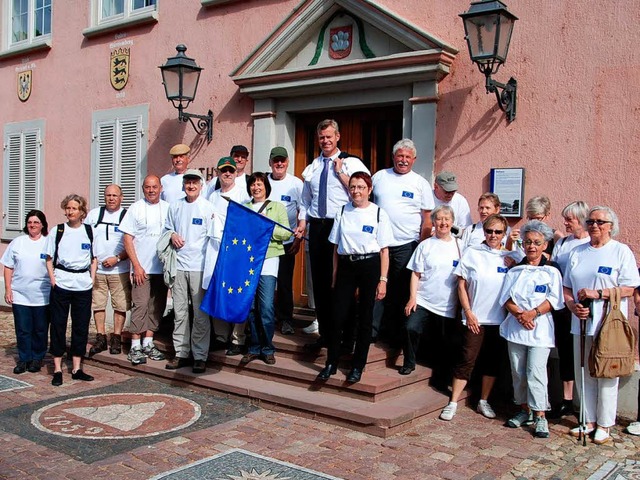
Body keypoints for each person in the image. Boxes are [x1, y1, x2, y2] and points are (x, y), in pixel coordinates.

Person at [563, 206, 640, 445]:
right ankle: (587, 419)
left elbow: (629, 287)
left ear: (611, 226)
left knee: (606, 372)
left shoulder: (620, 251)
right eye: (590, 221)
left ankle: (605, 423)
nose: (594, 225)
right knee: (583, 371)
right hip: (581, 322)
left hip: (609, 324)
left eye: (600, 222)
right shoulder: (578, 252)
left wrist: (599, 293)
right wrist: (572, 306)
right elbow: (566, 287)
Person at [440, 214, 521, 421]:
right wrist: (468, 312)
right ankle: (453, 401)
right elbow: (461, 285)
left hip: (498, 320)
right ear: (484, 231)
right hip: (474, 317)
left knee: (491, 362)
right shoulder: (472, 253)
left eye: (498, 232)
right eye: (489, 231)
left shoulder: (511, 257)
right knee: (466, 359)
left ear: (505, 234)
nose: (493, 235)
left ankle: (483, 400)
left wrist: (513, 266)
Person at [301, 119, 369, 351]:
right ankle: (327, 336)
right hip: (318, 228)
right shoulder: (313, 166)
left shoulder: (352, 163)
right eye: (322, 137)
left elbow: (363, 193)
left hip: (341, 226)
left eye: (329, 137)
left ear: (338, 137)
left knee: (341, 284)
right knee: (320, 284)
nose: (325, 141)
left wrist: (340, 173)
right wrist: (303, 223)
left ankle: (346, 337)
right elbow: (305, 201)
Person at [317, 172, 391, 383]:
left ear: (369, 189)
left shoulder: (379, 214)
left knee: (365, 318)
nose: (356, 191)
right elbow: (336, 247)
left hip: (370, 265)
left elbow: (384, 250)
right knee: (338, 316)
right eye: (353, 187)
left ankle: (358, 365)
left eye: (360, 187)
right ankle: (331, 362)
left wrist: (383, 280)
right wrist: (334, 275)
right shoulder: (343, 211)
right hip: (346, 266)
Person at [499, 221, 564, 438]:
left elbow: (554, 299)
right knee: (518, 371)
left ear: (545, 244)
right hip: (516, 327)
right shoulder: (515, 270)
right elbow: (506, 298)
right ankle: (523, 409)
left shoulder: (551, 271)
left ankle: (540, 415)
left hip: (539, 328)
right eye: (527, 242)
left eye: (536, 242)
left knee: (535, 372)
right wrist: (519, 314)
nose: (532, 247)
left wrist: (533, 313)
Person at [371, 138, 434, 346]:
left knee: (400, 291)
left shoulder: (420, 183)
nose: (403, 160)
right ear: (393, 157)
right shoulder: (380, 176)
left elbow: (427, 218)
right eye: (400, 156)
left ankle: (396, 336)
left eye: (408, 157)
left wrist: (422, 248)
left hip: (406, 245)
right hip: (380, 245)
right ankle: (372, 332)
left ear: (414, 159)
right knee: (377, 288)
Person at [164, 169, 215, 374]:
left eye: (195, 183)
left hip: (199, 267)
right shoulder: (175, 206)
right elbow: (166, 229)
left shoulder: (208, 208)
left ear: (201, 185)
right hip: (179, 266)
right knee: (180, 312)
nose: (191, 186)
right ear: (183, 185)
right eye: (188, 183)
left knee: (200, 314)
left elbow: (214, 239)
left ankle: (200, 356)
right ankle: (181, 352)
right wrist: (172, 234)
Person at [401, 205, 460, 384]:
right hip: (424, 299)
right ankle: (409, 362)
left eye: (446, 219)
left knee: (445, 341)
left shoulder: (460, 246)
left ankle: (441, 376)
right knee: (410, 327)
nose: (443, 223)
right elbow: (415, 273)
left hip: (448, 303)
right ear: (433, 222)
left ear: (452, 222)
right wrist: (412, 298)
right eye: (439, 219)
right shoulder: (425, 245)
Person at [45, 194, 97, 386]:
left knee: (81, 325)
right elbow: (48, 257)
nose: (70, 211)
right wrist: (53, 280)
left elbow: (94, 258)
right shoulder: (57, 231)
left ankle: (76, 367)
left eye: (74, 208)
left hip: (83, 285)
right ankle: (57, 368)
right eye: (68, 208)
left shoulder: (89, 231)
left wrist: (91, 279)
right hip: (62, 283)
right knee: (58, 324)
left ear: (82, 211)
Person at [240, 172, 291, 365]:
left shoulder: (276, 207)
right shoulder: (244, 208)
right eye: (253, 184)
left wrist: (267, 225)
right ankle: (253, 347)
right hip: (248, 262)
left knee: (267, 307)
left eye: (260, 184)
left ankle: (268, 347)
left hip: (269, 259)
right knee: (251, 308)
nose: (256, 187)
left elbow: (286, 233)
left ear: (266, 187)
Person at [119, 175, 170, 366]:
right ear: (143, 189)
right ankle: (135, 345)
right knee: (140, 305)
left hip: (161, 268)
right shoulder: (135, 209)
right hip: (142, 268)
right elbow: (127, 239)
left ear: (160, 188)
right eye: (147, 187)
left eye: (154, 187)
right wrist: (137, 266)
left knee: (157, 306)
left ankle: (148, 342)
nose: (151, 190)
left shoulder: (167, 208)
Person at [549, 201, 590, 418]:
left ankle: (585, 401)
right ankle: (566, 399)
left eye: (570, 219)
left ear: (582, 220)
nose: (565, 223)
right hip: (563, 305)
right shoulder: (562, 243)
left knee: (583, 352)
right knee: (565, 351)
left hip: (582, 305)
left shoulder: (590, 244)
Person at [206, 157, 251, 356]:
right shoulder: (212, 196)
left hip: (235, 252)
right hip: (214, 250)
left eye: (231, 171)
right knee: (217, 291)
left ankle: (237, 338)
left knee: (236, 293)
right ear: (218, 172)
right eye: (224, 170)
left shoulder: (242, 195)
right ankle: (221, 336)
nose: (227, 174)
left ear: (235, 173)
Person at [2, 210, 50, 374]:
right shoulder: (18, 242)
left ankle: (37, 358)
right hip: (20, 294)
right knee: (23, 329)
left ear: (42, 224)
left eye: (36, 222)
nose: (32, 225)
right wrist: (8, 288)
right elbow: (8, 266)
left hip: (42, 295)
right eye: (30, 222)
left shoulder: (48, 243)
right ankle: (24, 359)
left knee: (40, 329)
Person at [85, 184, 130, 356]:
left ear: (121, 197)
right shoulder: (94, 215)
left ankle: (116, 337)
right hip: (98, 271)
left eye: (115, 195)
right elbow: (86, 239)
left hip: (120, 270)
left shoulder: (127, 216)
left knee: (120, 305)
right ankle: (101, 336)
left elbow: (134, 245)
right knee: (98, 304)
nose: (111, 198)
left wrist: (117, 258)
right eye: (108, 195)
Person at [267, 147, 306, 335]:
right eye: (276, 161)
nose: (279, 164)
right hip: (264, 243)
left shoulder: (296, 184)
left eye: (282, 160)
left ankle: (285, 319)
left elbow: (303, 210)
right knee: (264, 281)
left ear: (288, 162)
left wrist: (299, 237)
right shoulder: (262, 182)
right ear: (270, 163)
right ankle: (264, 317)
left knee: (284, 282)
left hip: (287, 241)